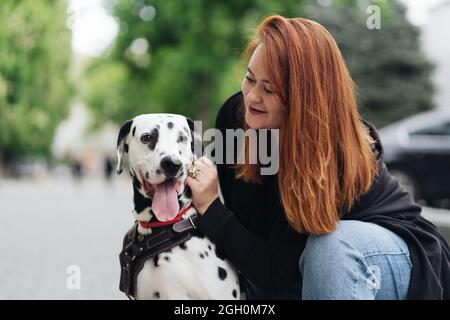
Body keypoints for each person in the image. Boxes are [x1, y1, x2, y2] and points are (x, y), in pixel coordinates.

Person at [185, 15, 450, 300]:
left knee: (330, 248)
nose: (252, 97)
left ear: (302, 98)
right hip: (296, 266)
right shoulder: (236, 118)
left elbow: (275, 273)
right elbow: (251, 245)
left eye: (269, 89)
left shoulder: (328, 157)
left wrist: (211, 208)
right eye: (250, 78)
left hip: (389, 259)